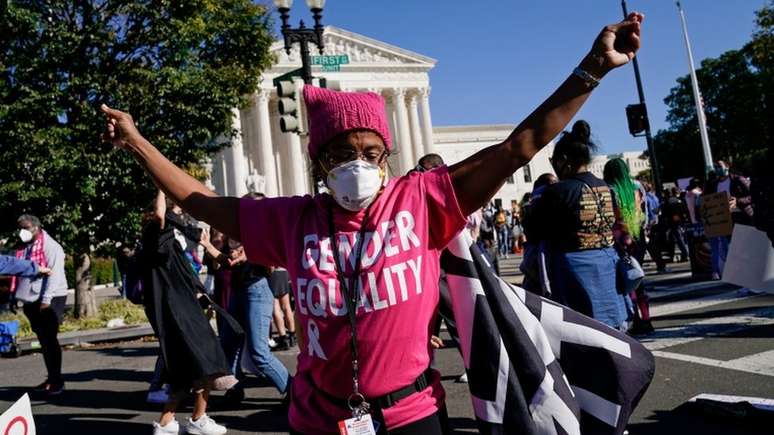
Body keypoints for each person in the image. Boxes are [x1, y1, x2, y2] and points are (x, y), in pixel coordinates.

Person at [101, 12, 644, 433]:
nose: (357, 163)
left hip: (411, 414)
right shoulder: (293, 220)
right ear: (320, 161)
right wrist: (136, 142)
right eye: (341, 152)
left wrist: (591, 68)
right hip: (318, 419)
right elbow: (201, 202)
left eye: (370, 151)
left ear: (386, 156)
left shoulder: (423, 201)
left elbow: (518, 146)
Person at [140, 191, 236, 435]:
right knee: (205, 361)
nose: (184, 218)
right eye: (180, 212)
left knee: (187, 369)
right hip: (177, 312)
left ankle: (167, 424)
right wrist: (161, 185)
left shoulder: (169, 239)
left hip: (183, 308)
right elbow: (162, 215)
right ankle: (197, 419)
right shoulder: (154, 232)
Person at [527, 122, 628, 330]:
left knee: (580, 330)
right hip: (608, 263)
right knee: (612, 330)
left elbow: (536, 231)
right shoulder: (606, 188)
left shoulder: (557, 192)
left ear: (563, 161)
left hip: (574, 270)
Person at [10, 214, 68, 397]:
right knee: (43, 340)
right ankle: (51, 378)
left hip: (50, 298)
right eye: (20, 227)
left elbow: (55, 274)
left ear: (36, 227)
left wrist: (46, 300)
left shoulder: (51, 247)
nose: (22, 231)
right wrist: (15, 296)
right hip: (31, 299)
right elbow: (18, 271)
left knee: (50, 340)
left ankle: (57, 381)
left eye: (25, 228)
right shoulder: (25, 247)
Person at [603, 158, 653, 335]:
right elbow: (646, 212)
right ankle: (647, 319)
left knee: (626, 281)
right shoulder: (637, 187)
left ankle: (635, 319)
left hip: (618, 238)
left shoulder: (609, 189)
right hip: (637, 234)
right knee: (638, 277)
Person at [704, 160, 753, 279]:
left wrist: (738, 201)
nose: (717, 169)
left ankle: (751, 275)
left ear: (727, 167)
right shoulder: (714, 184)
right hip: (725, 221)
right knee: (733, 250)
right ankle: (742, 277)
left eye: (719, 166)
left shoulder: (738, 180)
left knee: (746, 248)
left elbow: (753, 195)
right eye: (715, 167)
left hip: (742, 217)